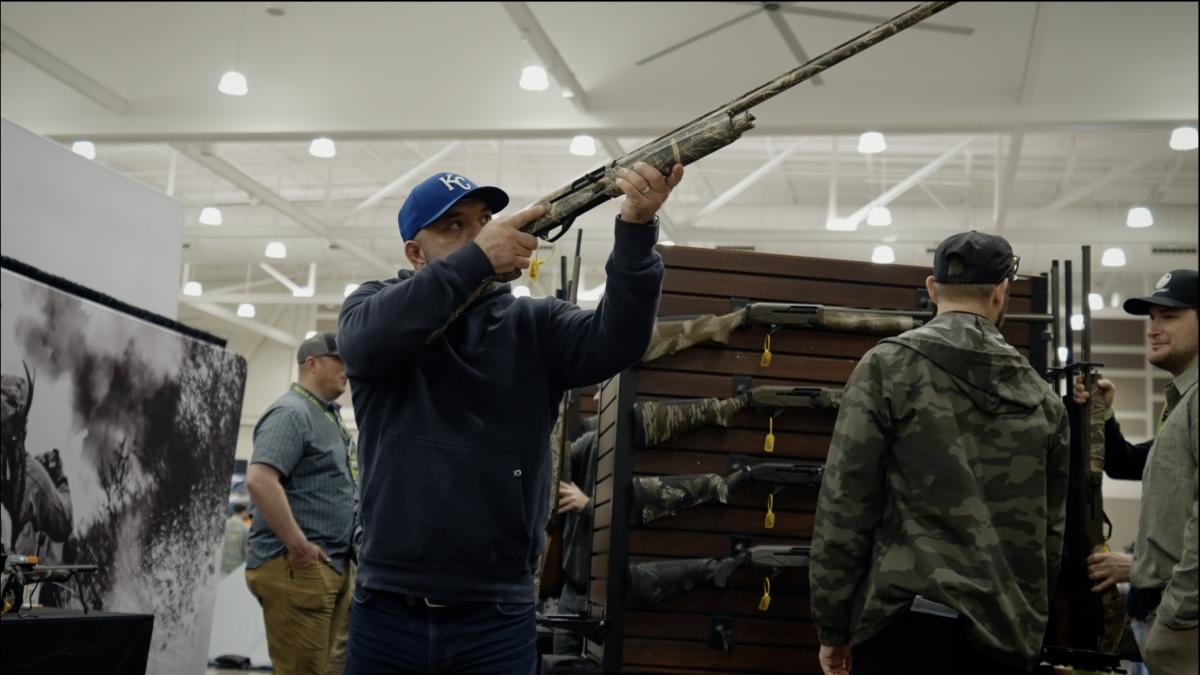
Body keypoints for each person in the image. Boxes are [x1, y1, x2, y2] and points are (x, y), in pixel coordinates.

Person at [338, 162, 684, 675]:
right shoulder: (372, 308)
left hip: (495, 616)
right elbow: (366, 342)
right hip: (387, 608)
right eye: (454, 226)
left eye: (484, 221)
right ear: (415, 253)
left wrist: (635, 230)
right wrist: (477, 259)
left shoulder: (535, 324)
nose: (482, 234)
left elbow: (619, 341)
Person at [810, 231, 1070, 675]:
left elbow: (846, 503)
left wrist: (833, 626)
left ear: (932, 289)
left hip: (904, 624)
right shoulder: (1043, 399)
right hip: (1003, 635)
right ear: (1001, 290)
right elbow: (1050, 536)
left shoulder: (887, 367)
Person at [1073, 268, 1198, 675]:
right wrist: (1104, 416)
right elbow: (1128, 464)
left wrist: (1177, 613)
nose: (1153, 329)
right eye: (1152, 318)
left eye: (1170, 317)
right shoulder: (1181, 403)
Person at [244, 333, 357, 675]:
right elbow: (260, 479)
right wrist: (299, 546)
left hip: (324, 565)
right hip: (299, 566)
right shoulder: (292, 413)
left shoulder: (324, 415)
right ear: (312, 364)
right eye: (340, 361)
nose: (348, 370)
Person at [553, 418, 599, 657]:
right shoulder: (592, 442)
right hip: (574, 587)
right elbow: (557, 460)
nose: (596, 400)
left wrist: (589, 506)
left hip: (607, 593)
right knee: (560, 662)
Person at [220, 502, 250, 575]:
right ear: (243, 512)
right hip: (237, 566)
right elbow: (246, 550)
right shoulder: (245, 528)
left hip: (222, 565)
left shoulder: (224, 524)